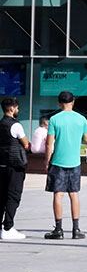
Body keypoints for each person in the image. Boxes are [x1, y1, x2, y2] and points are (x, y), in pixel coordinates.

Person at [45, 91, 87, 240]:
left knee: (58, 194)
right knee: (74, 194)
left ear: (59, 103)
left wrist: (47, 161)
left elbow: (49, 143)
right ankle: (76, 229)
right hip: (75, 161)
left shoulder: (54, 119)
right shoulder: (81, 119)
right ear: (73, 102)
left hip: (58, 161)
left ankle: (58, 229)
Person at [1, 97, 29, 239]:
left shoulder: (0, 124)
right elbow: (25, 144)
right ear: (11, 109)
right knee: (13, 196)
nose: (17, 110)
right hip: (15, 166)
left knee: (2, 196)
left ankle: (2, 227)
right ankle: (8, 227)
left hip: (1, 164)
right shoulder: (15, 125)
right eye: (17, 108)